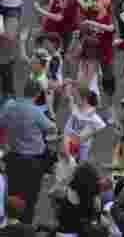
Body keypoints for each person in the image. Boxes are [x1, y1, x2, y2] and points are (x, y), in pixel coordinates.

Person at [0, 78, 54, 223]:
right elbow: (51, 127)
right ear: (36, 94)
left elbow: (1, 122)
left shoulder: (9, 106)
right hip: (33, 162)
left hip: (13, 157)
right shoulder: (35, 111)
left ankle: (11, 224)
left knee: (12, 193)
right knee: (30, 197)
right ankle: (26, 227)